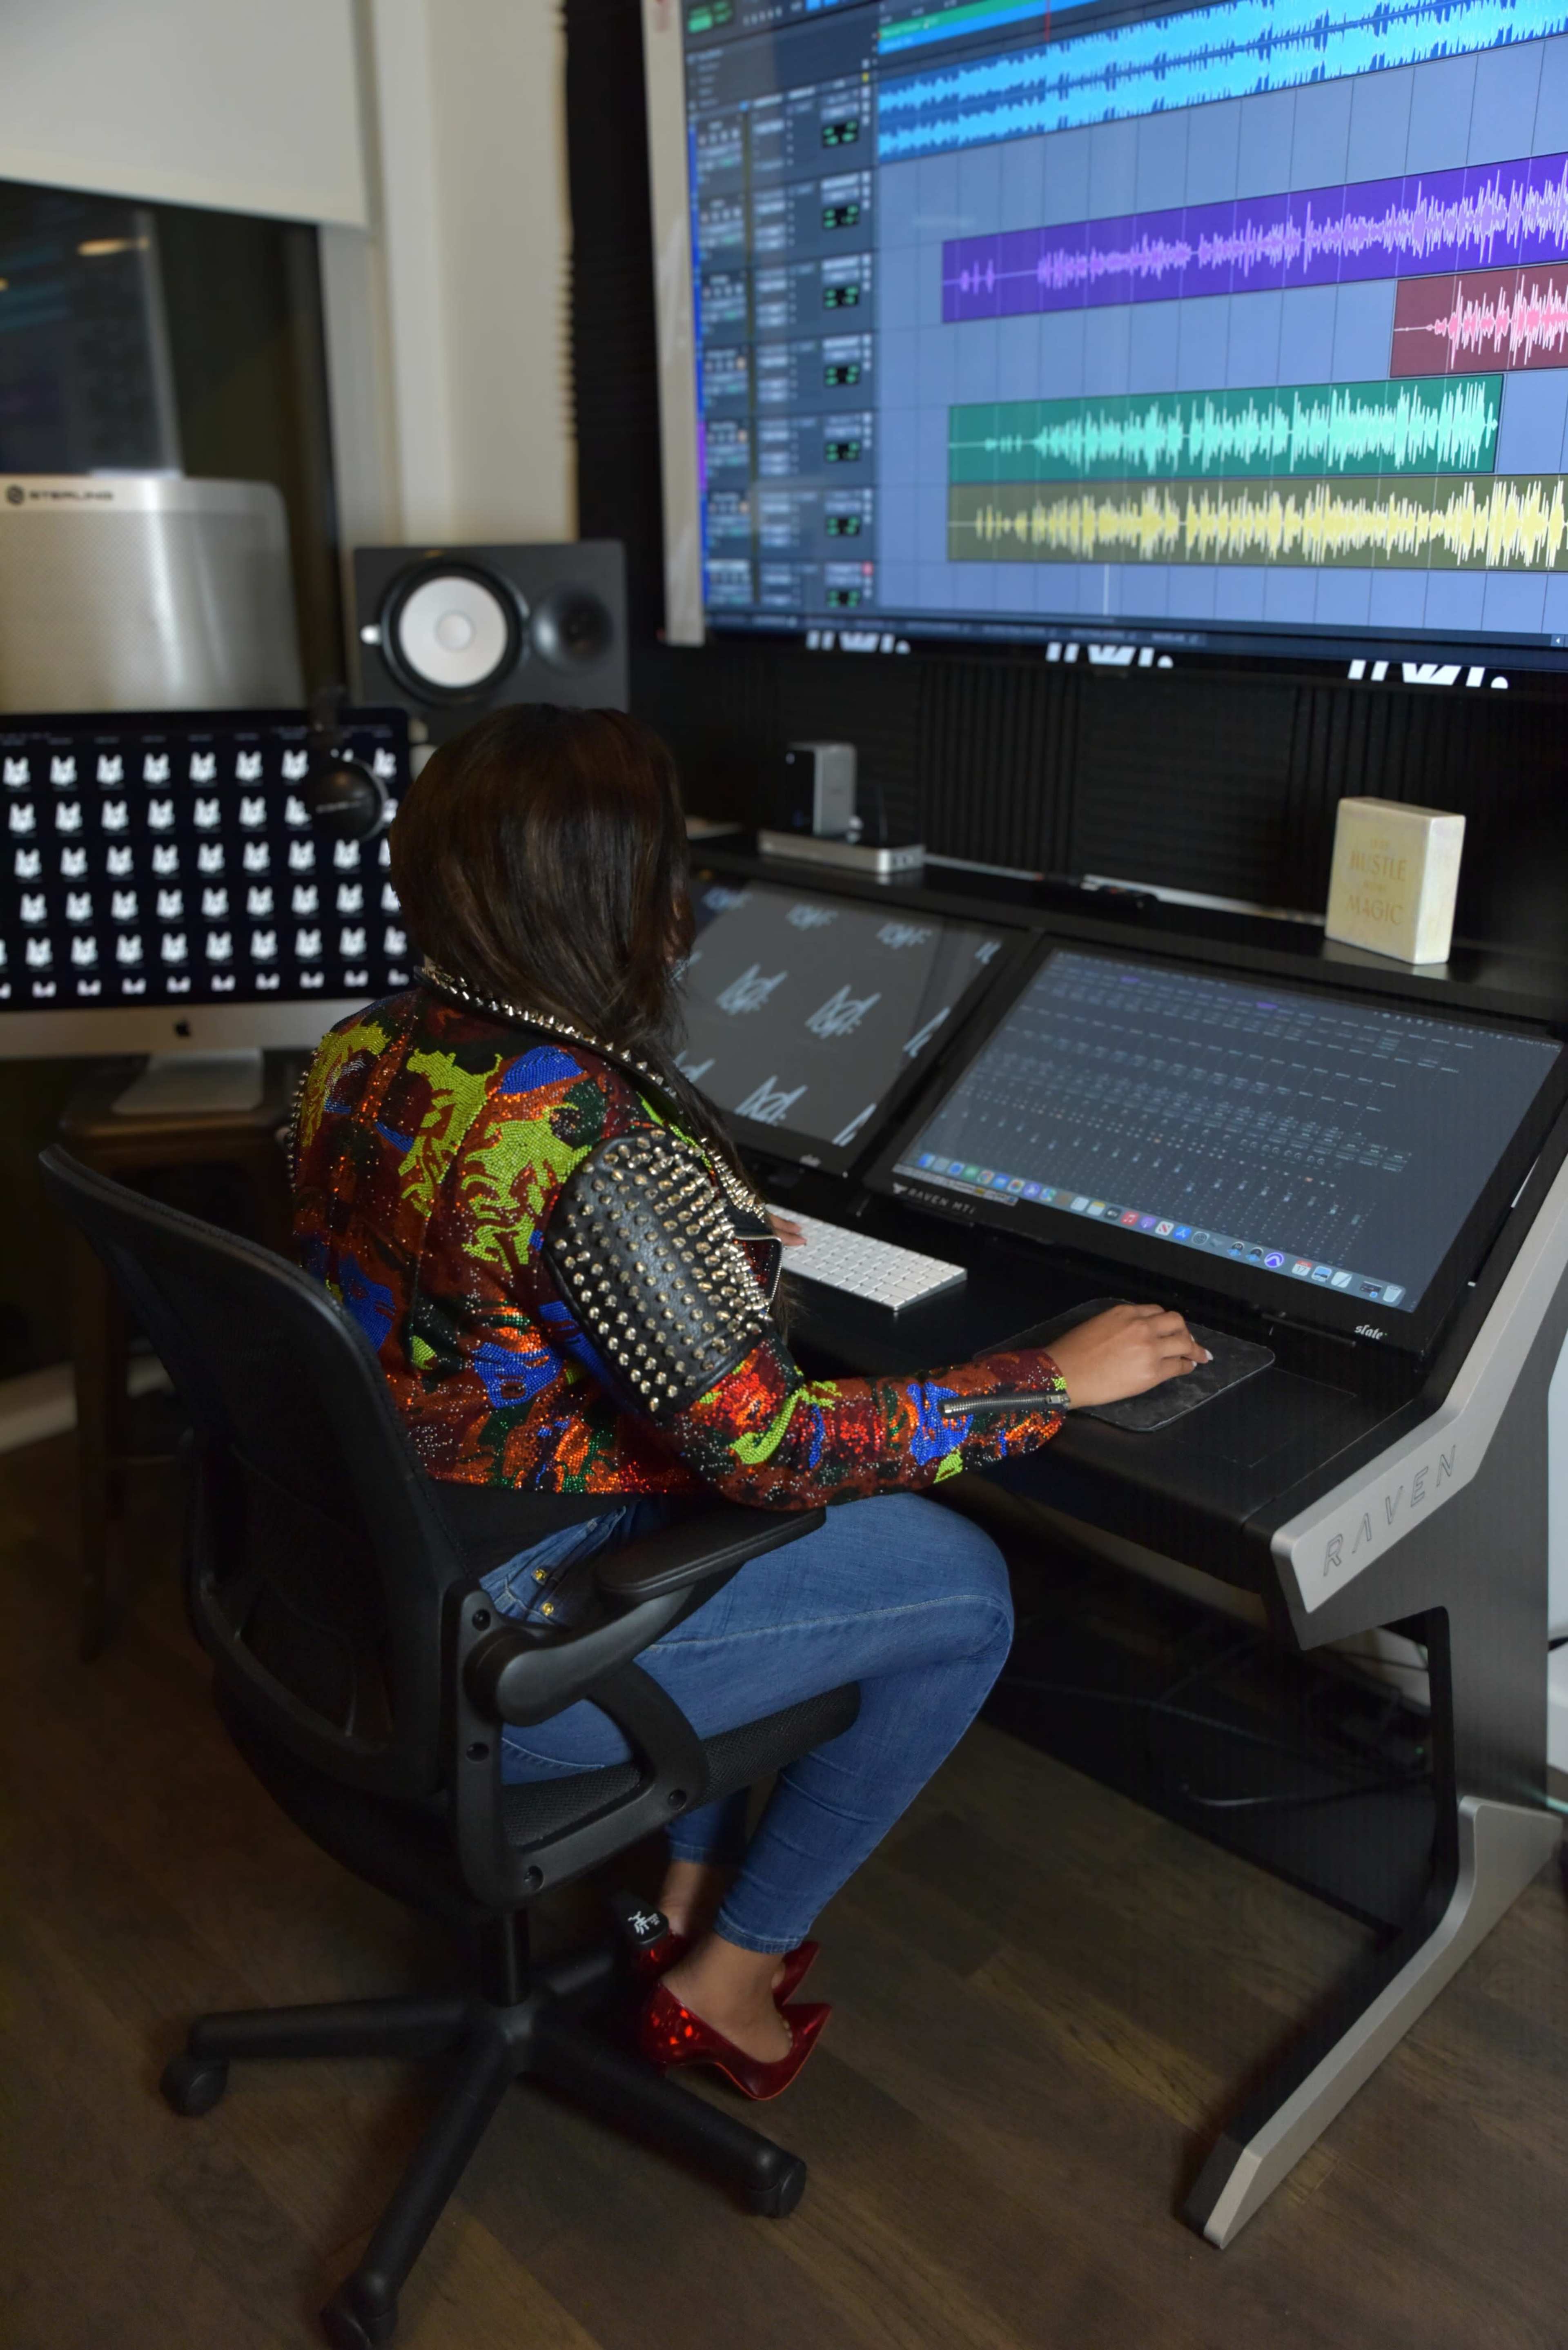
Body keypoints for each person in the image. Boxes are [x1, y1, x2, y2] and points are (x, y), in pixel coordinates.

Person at [291, 704, 1207, 2099]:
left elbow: (476, 1287)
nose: (684, 900)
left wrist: (692, 1250)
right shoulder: (594, 1145)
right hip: (514, 1658)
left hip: (370, 1579)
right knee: (965, 1589)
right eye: (668, 870)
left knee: (710, 1503)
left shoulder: (359, 1049)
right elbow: (775, 1453)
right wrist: (1049, 1378)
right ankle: (729, 1978)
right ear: (619, 900)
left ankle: (681, 1882)